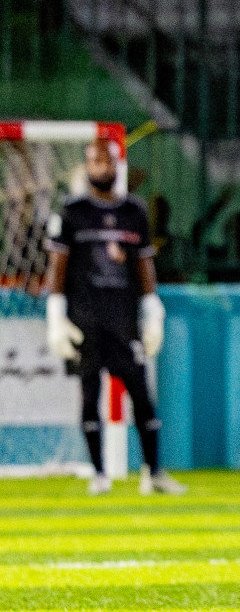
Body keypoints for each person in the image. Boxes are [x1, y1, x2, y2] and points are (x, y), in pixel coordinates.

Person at [42, 138, 186, 496]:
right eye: (94, 162)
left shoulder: (134, 211)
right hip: (86, 319)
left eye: (106, 162)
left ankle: (152, 472)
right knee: (90, 394)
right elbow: (57, 265)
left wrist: (153, 307)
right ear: (86, 167)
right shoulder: (72, 211)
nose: (100, 168)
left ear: (116, 165)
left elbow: (144, 262)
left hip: (123, 319)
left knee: (141, 393)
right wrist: (56, 313)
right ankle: (99, 473)